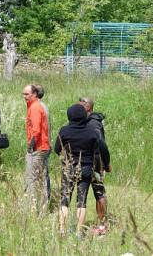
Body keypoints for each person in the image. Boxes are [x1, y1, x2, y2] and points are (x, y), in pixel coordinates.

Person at [54, 104, 111, 237]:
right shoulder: (91, 132)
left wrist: (67, 155)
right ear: (84, 116)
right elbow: (98, 151)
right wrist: (101, 167)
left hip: (69, 168)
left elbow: (57, 149)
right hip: (86, 169)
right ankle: (79, 232)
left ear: (70, 116)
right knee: (81, 202)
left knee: (65, 200)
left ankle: (62, 230)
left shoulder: (64, 131)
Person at [79, 97, 111, 233]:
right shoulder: (86, 121)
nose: (78, 110)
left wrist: (107, 163)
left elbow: (102, 144)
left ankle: (102, 225)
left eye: (81, 107)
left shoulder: (93, 124)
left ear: (89, 108)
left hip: (95, 162)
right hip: (87, 161)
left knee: (99, 192)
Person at [22, 84, 51, 211]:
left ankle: (33, 207)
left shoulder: (34, 107)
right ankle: (43, 207)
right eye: (23, 94)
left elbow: (36, 131)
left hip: (38, 148)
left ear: (34, 94)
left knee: (33, 178)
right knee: (42, 177)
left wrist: (30, 147)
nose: (24, 97)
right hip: (43, 146)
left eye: (27, 94)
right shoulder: (37, 106)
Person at [35, 84, 52, 199]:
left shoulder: (39, 107)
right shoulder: (42, 106)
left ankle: (44, 199)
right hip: (44, 144)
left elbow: (37, 130)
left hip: (41, 145)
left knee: (41, 173)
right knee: (41, 172)